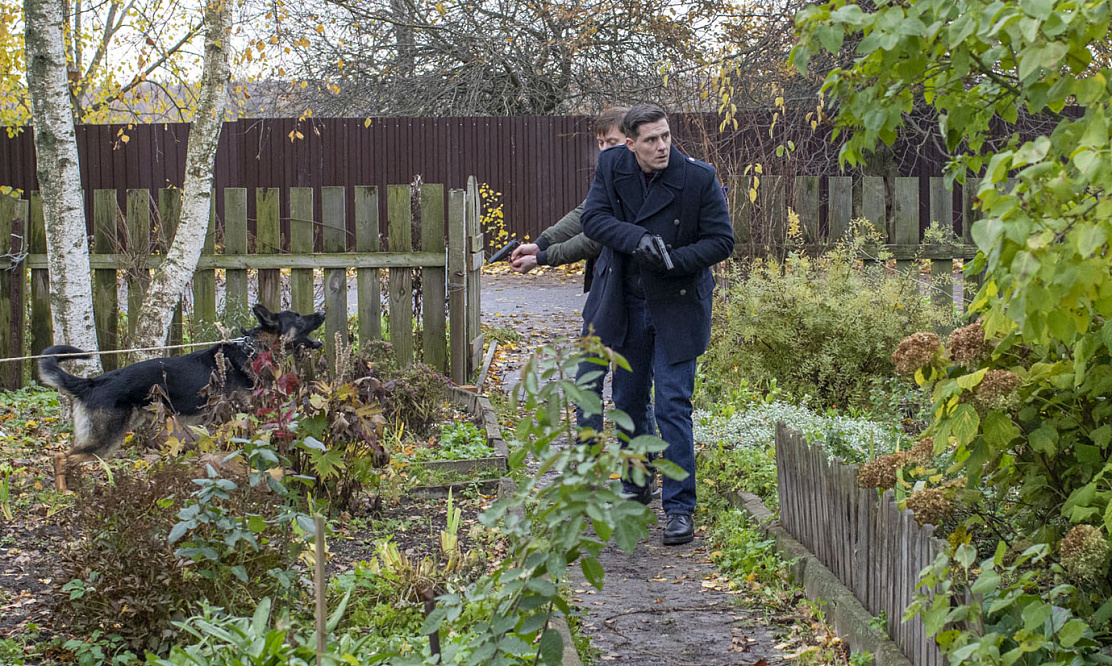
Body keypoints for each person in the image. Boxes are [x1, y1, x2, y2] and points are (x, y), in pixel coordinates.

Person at [580, 103, 734, 546]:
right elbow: (594, 218)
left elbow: (722, 240)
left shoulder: (697, 177)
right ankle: (635, 483)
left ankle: (681, 507)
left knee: (672, 404)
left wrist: (672, 260)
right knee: (627, 399)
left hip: (678, 304)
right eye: (650, 140)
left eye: (666, 136)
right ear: (630, 144)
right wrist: (638, 239)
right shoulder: (612, 165)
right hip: (626, 304)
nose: (662, 146)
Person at [509, 107, 631, 441]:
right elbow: (584, 214)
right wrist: (541, 242)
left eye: (613, 142)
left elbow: (596, 237)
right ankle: (587, 461)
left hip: (633, 294)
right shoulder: (606, 177)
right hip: (604, 293)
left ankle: (640, 471)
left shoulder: (636, 181)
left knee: (628, 388)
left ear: (631, 142)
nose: (605, 150)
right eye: (601, 143)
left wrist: (544, 258)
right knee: (588, 376)